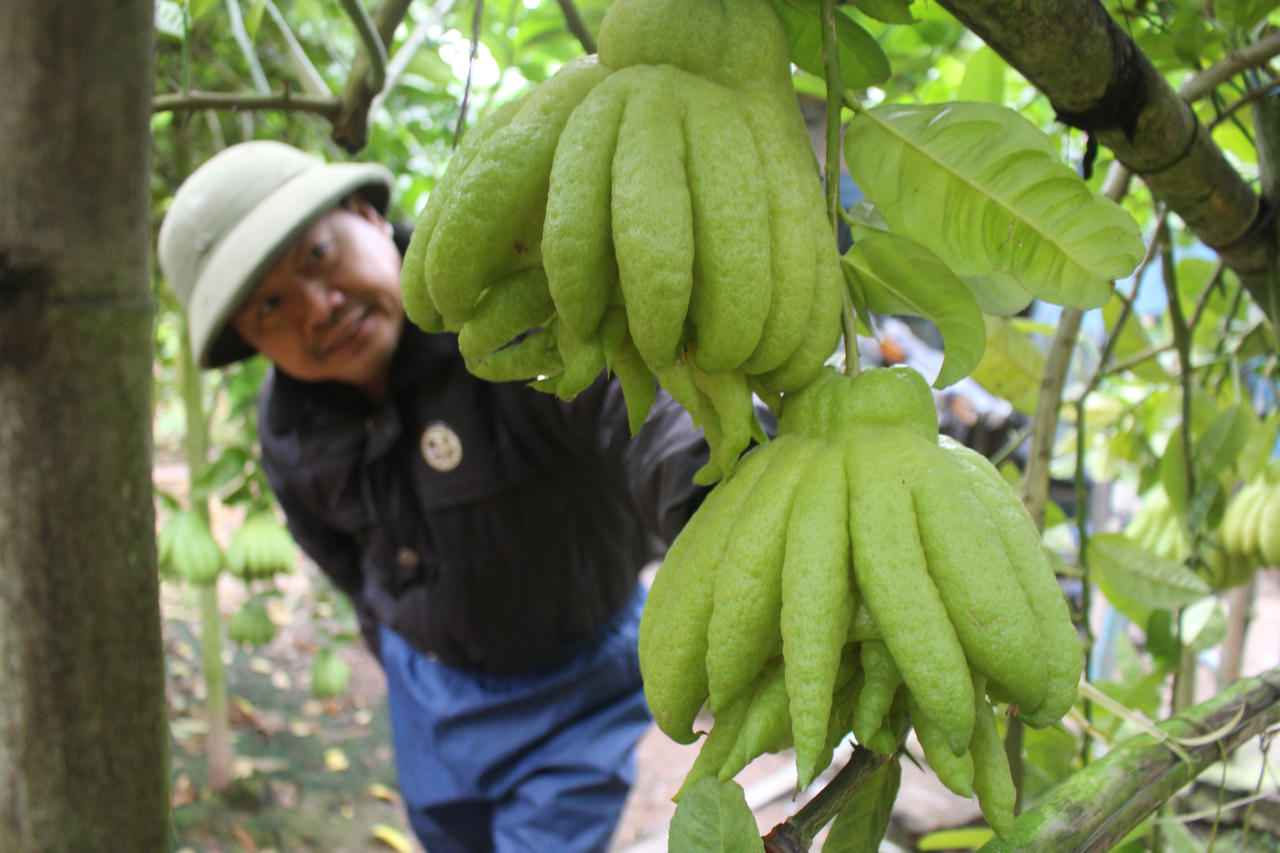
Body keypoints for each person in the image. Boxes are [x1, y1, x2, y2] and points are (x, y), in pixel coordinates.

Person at [157, 139, 715, 853]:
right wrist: (399, 643)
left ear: (366, 215)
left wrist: (721, 508)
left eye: (317, 257)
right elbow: (341, 559)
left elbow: (639, 409)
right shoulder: (290, 430)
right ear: (247, 336)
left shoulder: (505, 316)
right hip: (427, 693)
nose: (317, 310)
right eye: (270, 304)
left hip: (579, 690)